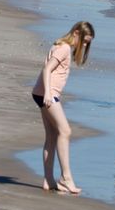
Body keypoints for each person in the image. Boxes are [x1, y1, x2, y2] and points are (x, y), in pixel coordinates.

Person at [33, 21, 95, 195]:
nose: (84, 45)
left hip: (42, 92)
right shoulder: (64, 48)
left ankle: (48, 180)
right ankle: (66, 177)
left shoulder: (61, 45)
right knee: (65, 131)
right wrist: (48, 93)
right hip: (47, 93)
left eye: (87, 43)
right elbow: (47, 69)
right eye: (83, 41)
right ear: (76, 32)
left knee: (52, 136)